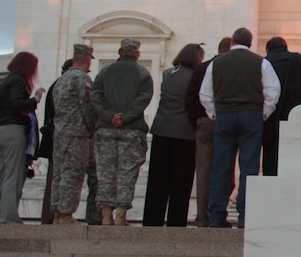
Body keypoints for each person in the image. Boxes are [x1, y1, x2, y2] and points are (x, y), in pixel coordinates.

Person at [200, 27, 280, 228]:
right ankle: (245, 215)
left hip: (225, 115)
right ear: (251, 43)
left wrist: (214, 113)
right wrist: (263, 113)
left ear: (232, 42)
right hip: (251, 116)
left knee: (221, 166)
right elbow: (272, 91)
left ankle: (217, 214)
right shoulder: (261, 62)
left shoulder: (216, 63)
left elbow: (205, 93)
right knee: (249, 166)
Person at [90, 37, 154, 226]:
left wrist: (109, 116)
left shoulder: (105, 72)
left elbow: (95, 95)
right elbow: (144, 98)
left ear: (119, 52)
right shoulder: (142, 73)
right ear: (137, 54)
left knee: (105, 172)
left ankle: (105, 215)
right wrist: (125, 117)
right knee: (127, 172)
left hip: (106, 129)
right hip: (131, 130)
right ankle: (120, 216)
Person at [143, 42, 204, 227]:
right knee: (181, 181)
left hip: (162, 128)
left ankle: (152, 219)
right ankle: (176, 221)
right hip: (185, 132)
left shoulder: (168, 73)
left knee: (157, 178)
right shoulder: (196, 77)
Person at [0, 52, 45, 224]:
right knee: (14, 174)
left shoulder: (3, 83)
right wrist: (35, 99)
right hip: (14, 130)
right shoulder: (19, 81)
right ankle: (9, 217)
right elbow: (16, 104)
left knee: (4, 175)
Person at [186, 36, 231, 227]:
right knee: (226, 171)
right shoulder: (232, 67)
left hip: (204, 123)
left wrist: (197, 121)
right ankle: (217, 213)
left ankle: (203, 216)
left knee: (204, 172)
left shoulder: (201, 68)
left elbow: (190, 97)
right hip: (226, 121)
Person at [50, 44, 97, 224]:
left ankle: (57, 211)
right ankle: (66, 213)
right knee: (73, 173)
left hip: (60, 133)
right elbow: (87, 107)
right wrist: (92, 128)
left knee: (59, 173)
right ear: (87, 60)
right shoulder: (81, 79)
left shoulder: (61, 80)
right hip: (77, 134)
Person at [262, 36, 301, 175]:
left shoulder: (264, 63)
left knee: (271, 158)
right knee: (296, 160)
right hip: (297, 117)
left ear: (268, 50)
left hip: (270, 118)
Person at [37, 58, 70, 224]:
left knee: (55, 178)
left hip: (55, 139)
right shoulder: (62, 86)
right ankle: (52, 215)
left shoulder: (55, 85)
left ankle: (51, 215)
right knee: (56, 178)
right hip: (60, 139)